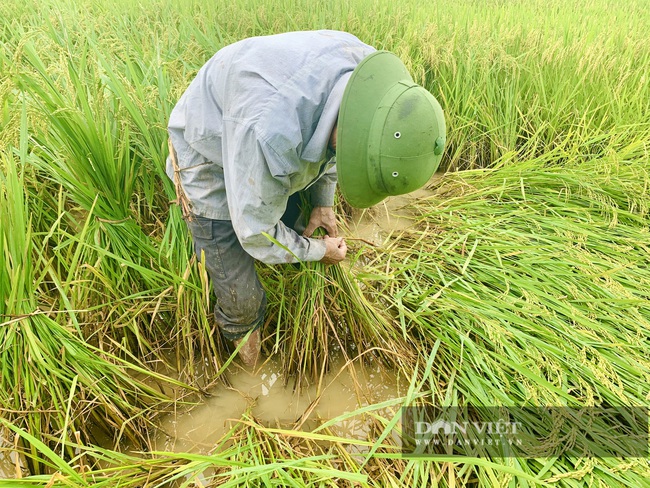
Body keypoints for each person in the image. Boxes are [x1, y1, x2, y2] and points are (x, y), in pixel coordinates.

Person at [166, 30, 446, 367]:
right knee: (244, 298)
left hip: (255, 119)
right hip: (207, 151)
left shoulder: (372, 85)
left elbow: (336, 143)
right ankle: (249, 379)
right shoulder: (271, 134)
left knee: (295, 222)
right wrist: (318, 251)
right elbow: (256, 232)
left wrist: (323, 202)